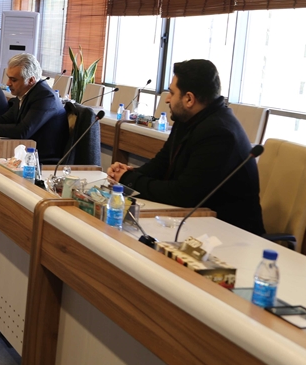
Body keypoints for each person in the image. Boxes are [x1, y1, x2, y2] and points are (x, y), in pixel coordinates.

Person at [108, 59, 264, 234]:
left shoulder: (220, 133)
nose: (167, 99)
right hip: (197, 223)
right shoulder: (188, 119)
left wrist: (129, 180)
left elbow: (183, 194)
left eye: (171, 93)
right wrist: (128, 173)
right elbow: (162, 163)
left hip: (230, 233)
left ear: (189, 99)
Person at [0, 53, 68, 163]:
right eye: (8, 78)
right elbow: (6, 118)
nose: (8, 83)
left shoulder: (45, 97)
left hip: (41, 160)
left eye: (13, 80)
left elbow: (23, 131)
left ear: (31, 80)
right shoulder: (25, 92)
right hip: (24, 153)